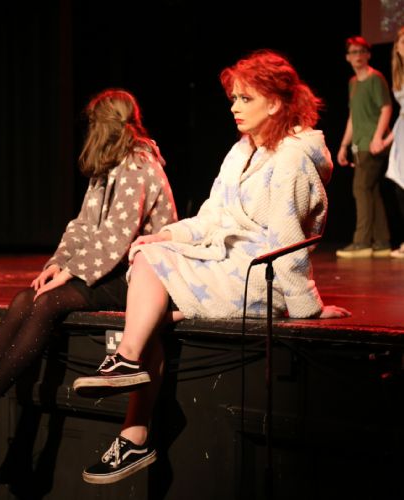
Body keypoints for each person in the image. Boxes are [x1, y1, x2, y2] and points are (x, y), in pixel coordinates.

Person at [72, 50, 352, 485]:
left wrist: (306, 310)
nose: (234, 106)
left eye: (245, 98)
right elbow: (211, 218)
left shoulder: (294, 157)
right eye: (234, 98)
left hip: (259, 277)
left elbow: (288, 242)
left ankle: (128, 377)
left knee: (149, 295)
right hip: (225, 264)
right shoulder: (241, 151)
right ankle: (134, 432)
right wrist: (167, 235)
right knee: (149, 263)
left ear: (275, 103)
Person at [0, 88, 178, 429]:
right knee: (27, 297)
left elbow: (116, 236)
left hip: (141, 277)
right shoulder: (108, 167)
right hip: (111, 268)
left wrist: (70, 272)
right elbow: (83, 225)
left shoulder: (139, 165)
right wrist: (57, 263)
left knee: (50, 302)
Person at [336, 36, 393, 258]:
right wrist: (344, 145)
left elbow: (386, 108)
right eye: (353, 52)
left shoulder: (375, 78)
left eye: (361, 51)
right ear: (347, 57)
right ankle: (382, 242)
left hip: (373, 143)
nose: (358, 56)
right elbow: (353, 116)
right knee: (371, 191)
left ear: (368, 54)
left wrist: (377, 137)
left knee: (360, 188)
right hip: (359, 144)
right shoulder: (353, 83)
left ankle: (362, 242)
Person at [383, 27, 404, 258]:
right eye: (403, 42)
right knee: (400, 185)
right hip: (402, 132)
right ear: (397, 47)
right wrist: (387, 139)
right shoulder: (398, 73)